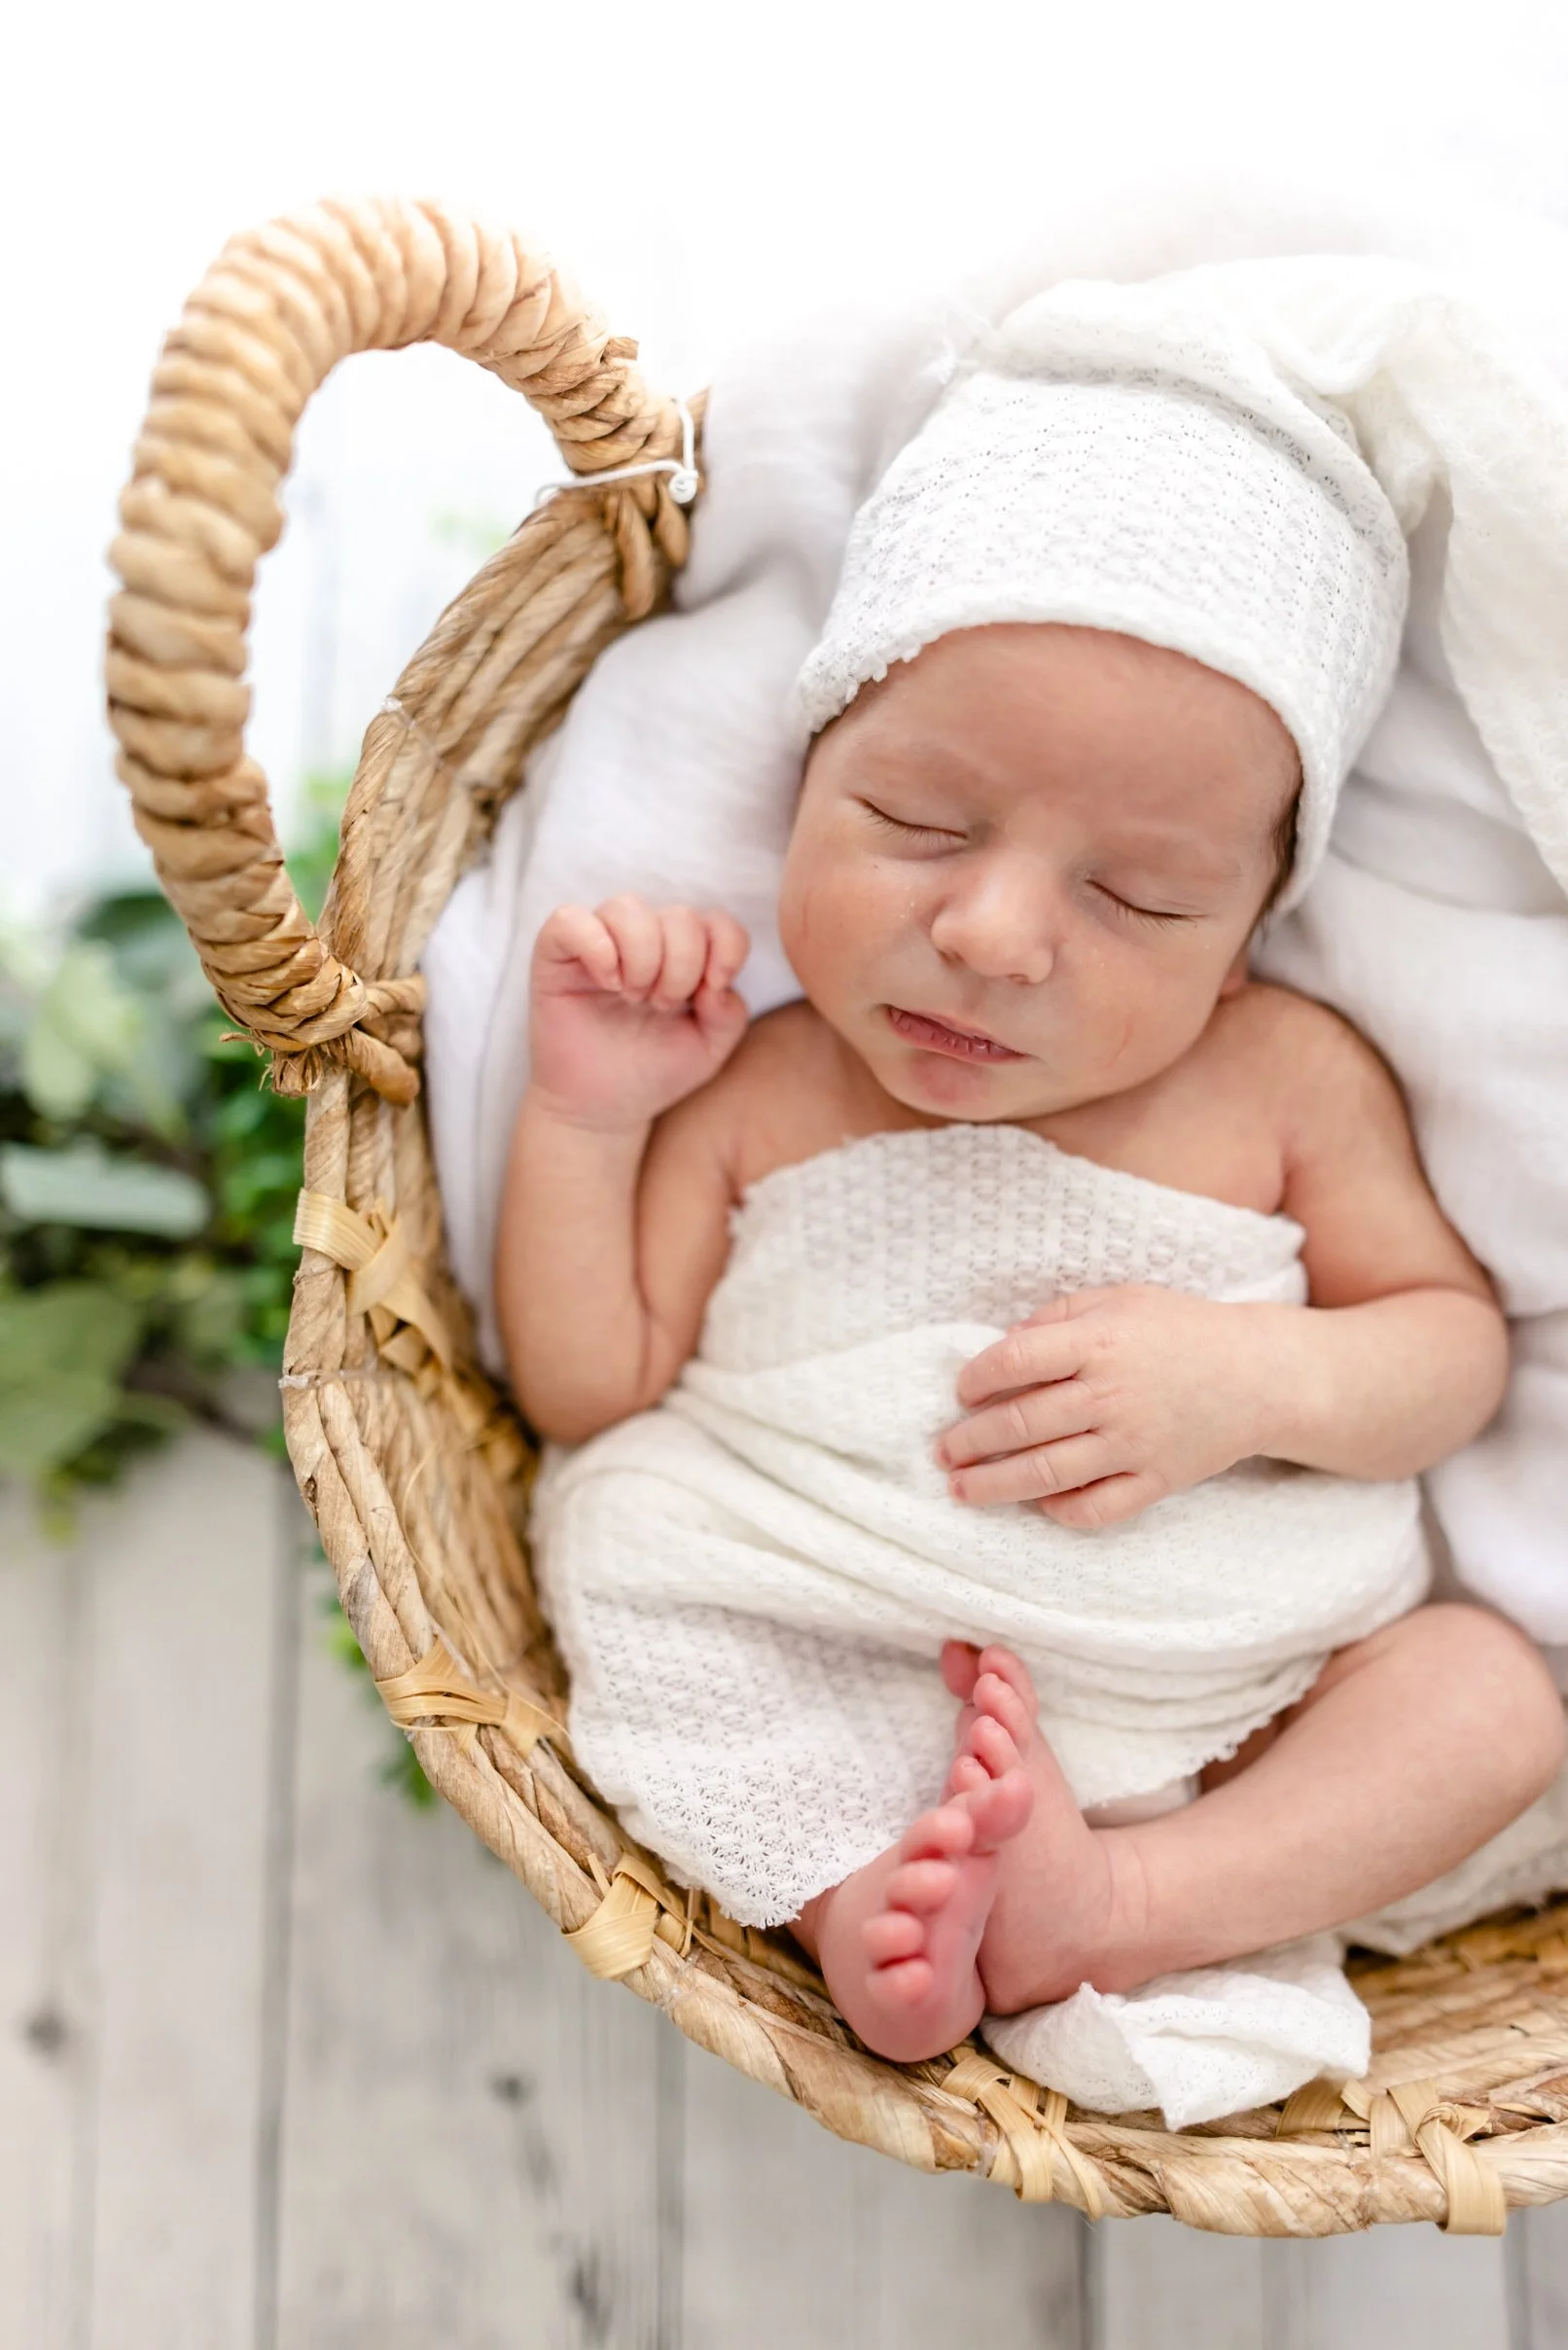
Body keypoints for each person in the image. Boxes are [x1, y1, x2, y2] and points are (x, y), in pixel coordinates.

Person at [493, 344, 1567, 2070]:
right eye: (915, 821)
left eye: (1139, 897)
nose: (994, 934)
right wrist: (582, 1119)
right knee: (627, 1532)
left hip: (1237, 1701)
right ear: (807, 778)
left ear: (1247, 939)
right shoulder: (760, 1083)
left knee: (1487, 1700)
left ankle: (1126, 1905)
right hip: (854, 1635)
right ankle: (873, 1891)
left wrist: (1248, 1385)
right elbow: (592, 1389)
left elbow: (1445, 1356)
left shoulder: (1283, 1077)